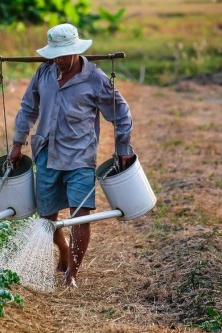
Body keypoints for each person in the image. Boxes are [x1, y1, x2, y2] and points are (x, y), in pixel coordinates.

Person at [8, 23, 135, 287]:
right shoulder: (44, 73)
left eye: (65, 55)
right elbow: (27, 108)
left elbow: (121, 114)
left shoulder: (96, 79)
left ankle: (72, 274)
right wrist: (18, 142)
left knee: (80, 215)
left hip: (80, 157)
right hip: (46, 153)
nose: (60, 60)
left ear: (77, 51)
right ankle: (64, 251)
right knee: (47, 217)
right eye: (56, 55)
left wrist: (123, 147)